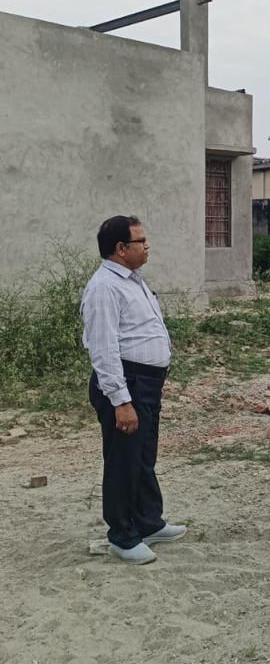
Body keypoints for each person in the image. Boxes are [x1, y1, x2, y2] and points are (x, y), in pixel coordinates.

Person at [81, 215, 187, 564]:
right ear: (121, 248)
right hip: (127, 383)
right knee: (123, 461)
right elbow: (103, 348)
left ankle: (147, 522)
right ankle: (122, 537)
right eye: (141, 241)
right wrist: (121, 400)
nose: (147, 246)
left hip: (147, 383)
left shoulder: (132, 280)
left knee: (142, 456)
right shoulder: (104, 287)